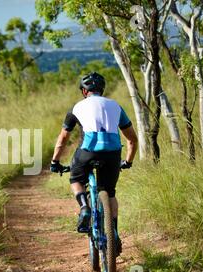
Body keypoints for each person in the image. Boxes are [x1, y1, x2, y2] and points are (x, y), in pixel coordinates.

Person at [50, 72, 139, 255]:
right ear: (102, 90)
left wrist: (55, 161)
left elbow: (63, 140)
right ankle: (113, 233)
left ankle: (84, 207)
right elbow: (132, 139)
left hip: (87, 152)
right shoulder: (116, 106)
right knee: (110, 192)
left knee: (76, 178)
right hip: (113, 154)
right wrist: (128, 161)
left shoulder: (76, 108)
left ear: (84, 91)